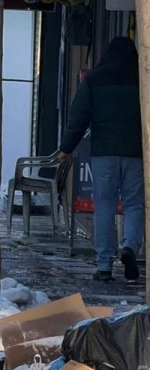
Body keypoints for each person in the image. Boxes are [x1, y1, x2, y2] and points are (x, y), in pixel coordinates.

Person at [59, 36, 143, 282]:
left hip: (104, 153)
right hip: (136, 154)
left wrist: (67, 148)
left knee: (104, 205)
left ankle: (105, 265)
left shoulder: (94, 80)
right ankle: (130, 248)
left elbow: (79, 116)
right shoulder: (143, 79)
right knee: (134, 204)